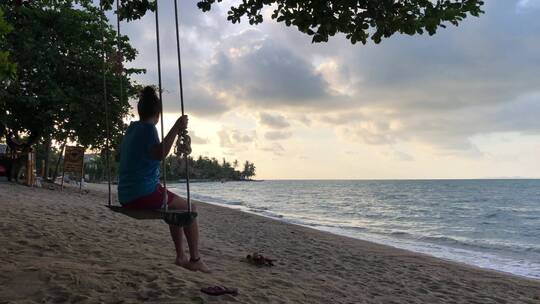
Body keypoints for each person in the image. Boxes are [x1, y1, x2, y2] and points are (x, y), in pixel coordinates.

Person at [118, 86, 209, 273]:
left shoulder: (132, 129)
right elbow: (160, 154)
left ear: (140, 111)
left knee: (175, 207)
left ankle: (180, 256)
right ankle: (195, 259)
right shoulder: (148, 129)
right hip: (141, 193)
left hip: (127, 192)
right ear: (158, 114)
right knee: (190, 208)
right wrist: (176, 127)